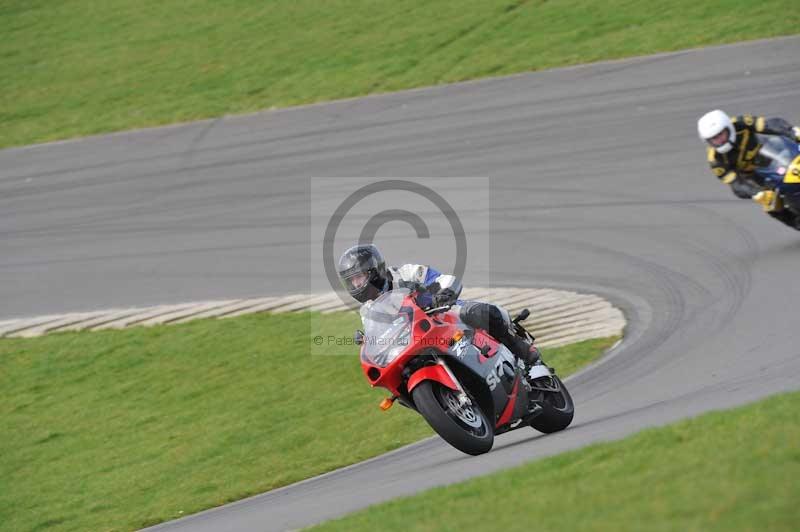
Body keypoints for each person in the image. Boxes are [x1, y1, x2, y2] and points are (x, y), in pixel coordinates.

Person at [337, 243, 540, 367]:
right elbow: (379, 336)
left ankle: (521, 350)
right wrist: (368, 341)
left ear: (373, 270)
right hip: (417, 340)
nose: (356, 284)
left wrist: (445, 293)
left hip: (444, 315)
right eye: (352, 280)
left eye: (359, 277)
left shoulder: (405, 273)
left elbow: (443, 279)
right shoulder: (368, 311)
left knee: (482, 312)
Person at [697, 110, 800, 227]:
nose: (719, 140)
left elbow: (771, 124)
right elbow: (736, 185)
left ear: (729, 127)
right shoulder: (715, 160)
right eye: (714, 139)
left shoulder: (740, 123)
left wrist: (792, 132)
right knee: (771, 205)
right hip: (756, 175)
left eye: (721, 134)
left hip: (773, 152)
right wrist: (757, 193)